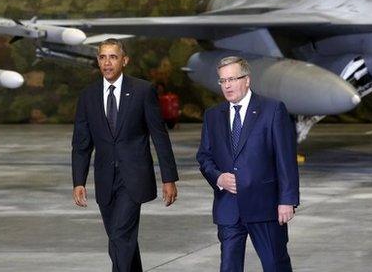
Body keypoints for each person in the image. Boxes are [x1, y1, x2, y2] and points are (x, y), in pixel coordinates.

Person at [71, 38, 179, 272]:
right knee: (122, 239)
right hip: (105, 180)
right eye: (102, 57)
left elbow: (159, 136)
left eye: (113, 57)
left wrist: (169, 178)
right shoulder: (88, 96)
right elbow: (81, 143)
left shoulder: (142, 91)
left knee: (120, 236)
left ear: (125, 60)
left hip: (134, 178)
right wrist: (78, 181)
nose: (107, 63)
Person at [196, 56, 299, 272]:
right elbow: (204, 157)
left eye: (232, 79)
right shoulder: (213, 115)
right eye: (223, 81)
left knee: (275, 265)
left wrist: (287, 200)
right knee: (229, 267)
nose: (228, 85)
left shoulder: (272, 110)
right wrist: (218, 177)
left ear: (247, 80)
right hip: (228, 208)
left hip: (266, 207)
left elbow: (285, 159)